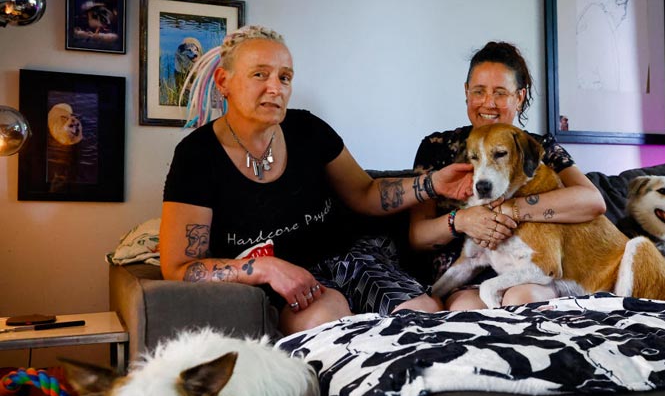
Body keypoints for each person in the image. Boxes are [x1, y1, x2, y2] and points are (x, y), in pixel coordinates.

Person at [159, 25, 473, 334]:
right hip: (292, 281)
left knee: (424, 318)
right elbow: (179, 267)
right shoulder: (197, 157)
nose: (276, 87)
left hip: (351, 258)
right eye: (260, 74)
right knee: (327, 327)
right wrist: (265, 268)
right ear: (223, 81)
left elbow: (364, 192)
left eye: (285, 77)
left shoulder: (308, 130)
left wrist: (432, 183)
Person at [410, 41, 606, 310]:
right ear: (466, 92)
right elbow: (417, 236)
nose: (488, 103)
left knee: (518, 299)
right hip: (459, 278)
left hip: (529, 277)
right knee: (457, 307)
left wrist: (510, 210)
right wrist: (463, 220)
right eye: (479, 91)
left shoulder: (539, 149)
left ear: (520, 96)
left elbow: (592, 202)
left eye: (500, 92)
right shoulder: (437, 147)